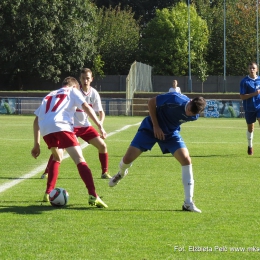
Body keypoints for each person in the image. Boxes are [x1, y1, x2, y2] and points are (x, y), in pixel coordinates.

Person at [109, 92, 206, 213]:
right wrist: (156, 126)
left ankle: (188, 202)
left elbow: (177, 120)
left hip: (170, 134)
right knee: (127, 159)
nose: (188, 113)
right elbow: (151, 102)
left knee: (186, 159)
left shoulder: (193, 116)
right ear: (190, 101)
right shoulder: (175, 98)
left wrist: (166, 130)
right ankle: (121, 173)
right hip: (150, 128)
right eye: (189, 109)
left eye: (192, 113)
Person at [31, 76, 108, 208]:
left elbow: (36, 120)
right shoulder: (73, 91)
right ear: (74, 86)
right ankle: (93, 195)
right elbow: (86, 107)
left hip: (46, 128)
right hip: (61, 126)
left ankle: (48, 192)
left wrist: (36, 144)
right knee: (80, 159)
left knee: (56, 157)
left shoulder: (50, 94)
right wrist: (99, 125)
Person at [41, 68, 111, 180]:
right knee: (59, 149)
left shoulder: (94, 93)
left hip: (85, 126)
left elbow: (101, 112)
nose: (85, 81)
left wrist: (101, 126)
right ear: (80, 79)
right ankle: (46, 172)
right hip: (71, 127)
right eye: (83, 78)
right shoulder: (74, 92)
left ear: (91, 79)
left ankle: (105, 172)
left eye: (88, 78)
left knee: (102, 146)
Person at [240, 61, 260, 155]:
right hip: (249, 108)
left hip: (259, 107)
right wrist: (254, 94)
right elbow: (242, 96)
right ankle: (250, 146)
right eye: (250, 68)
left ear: (257, 69)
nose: (252, 70)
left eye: (253, 68)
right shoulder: (244, 81)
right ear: (248, 69)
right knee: (250, 128)